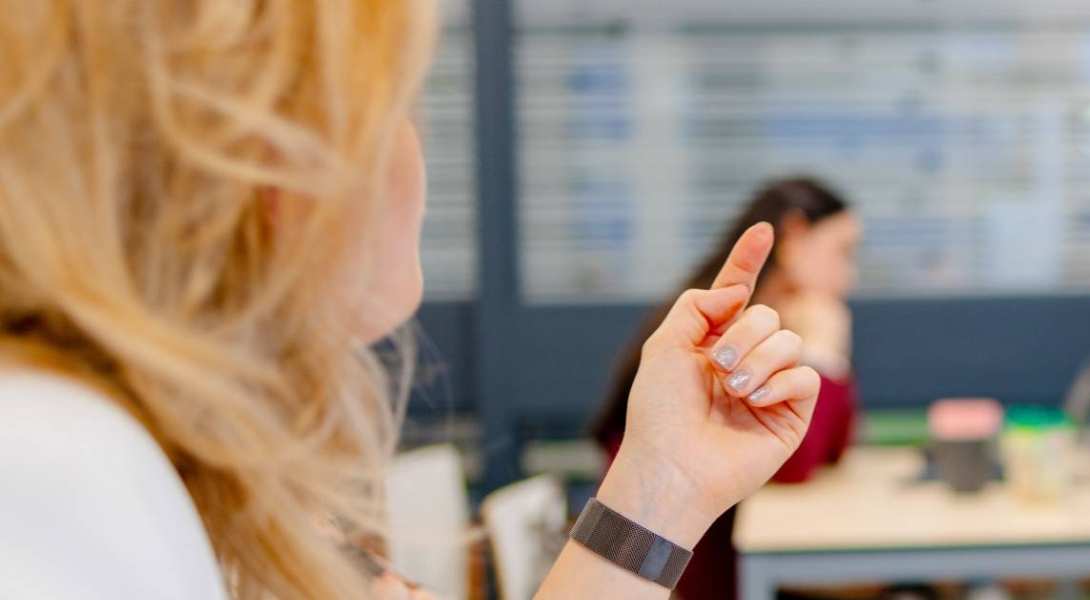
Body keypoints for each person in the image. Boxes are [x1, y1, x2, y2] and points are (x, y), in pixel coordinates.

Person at [0, 2, 819, 598]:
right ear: (259, 169)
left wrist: (661, 486)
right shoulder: (58, 471)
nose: (412, 150)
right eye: (393, 106)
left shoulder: (184, 464)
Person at [588, 176, 862, 600]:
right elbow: (791, 468)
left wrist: (827, 358)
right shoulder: (723, 334)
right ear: (794, 237)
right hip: (682, 579)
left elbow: (833, 448)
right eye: (842, 253)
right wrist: (823, 352)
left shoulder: (780, 326)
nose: (850, 277)